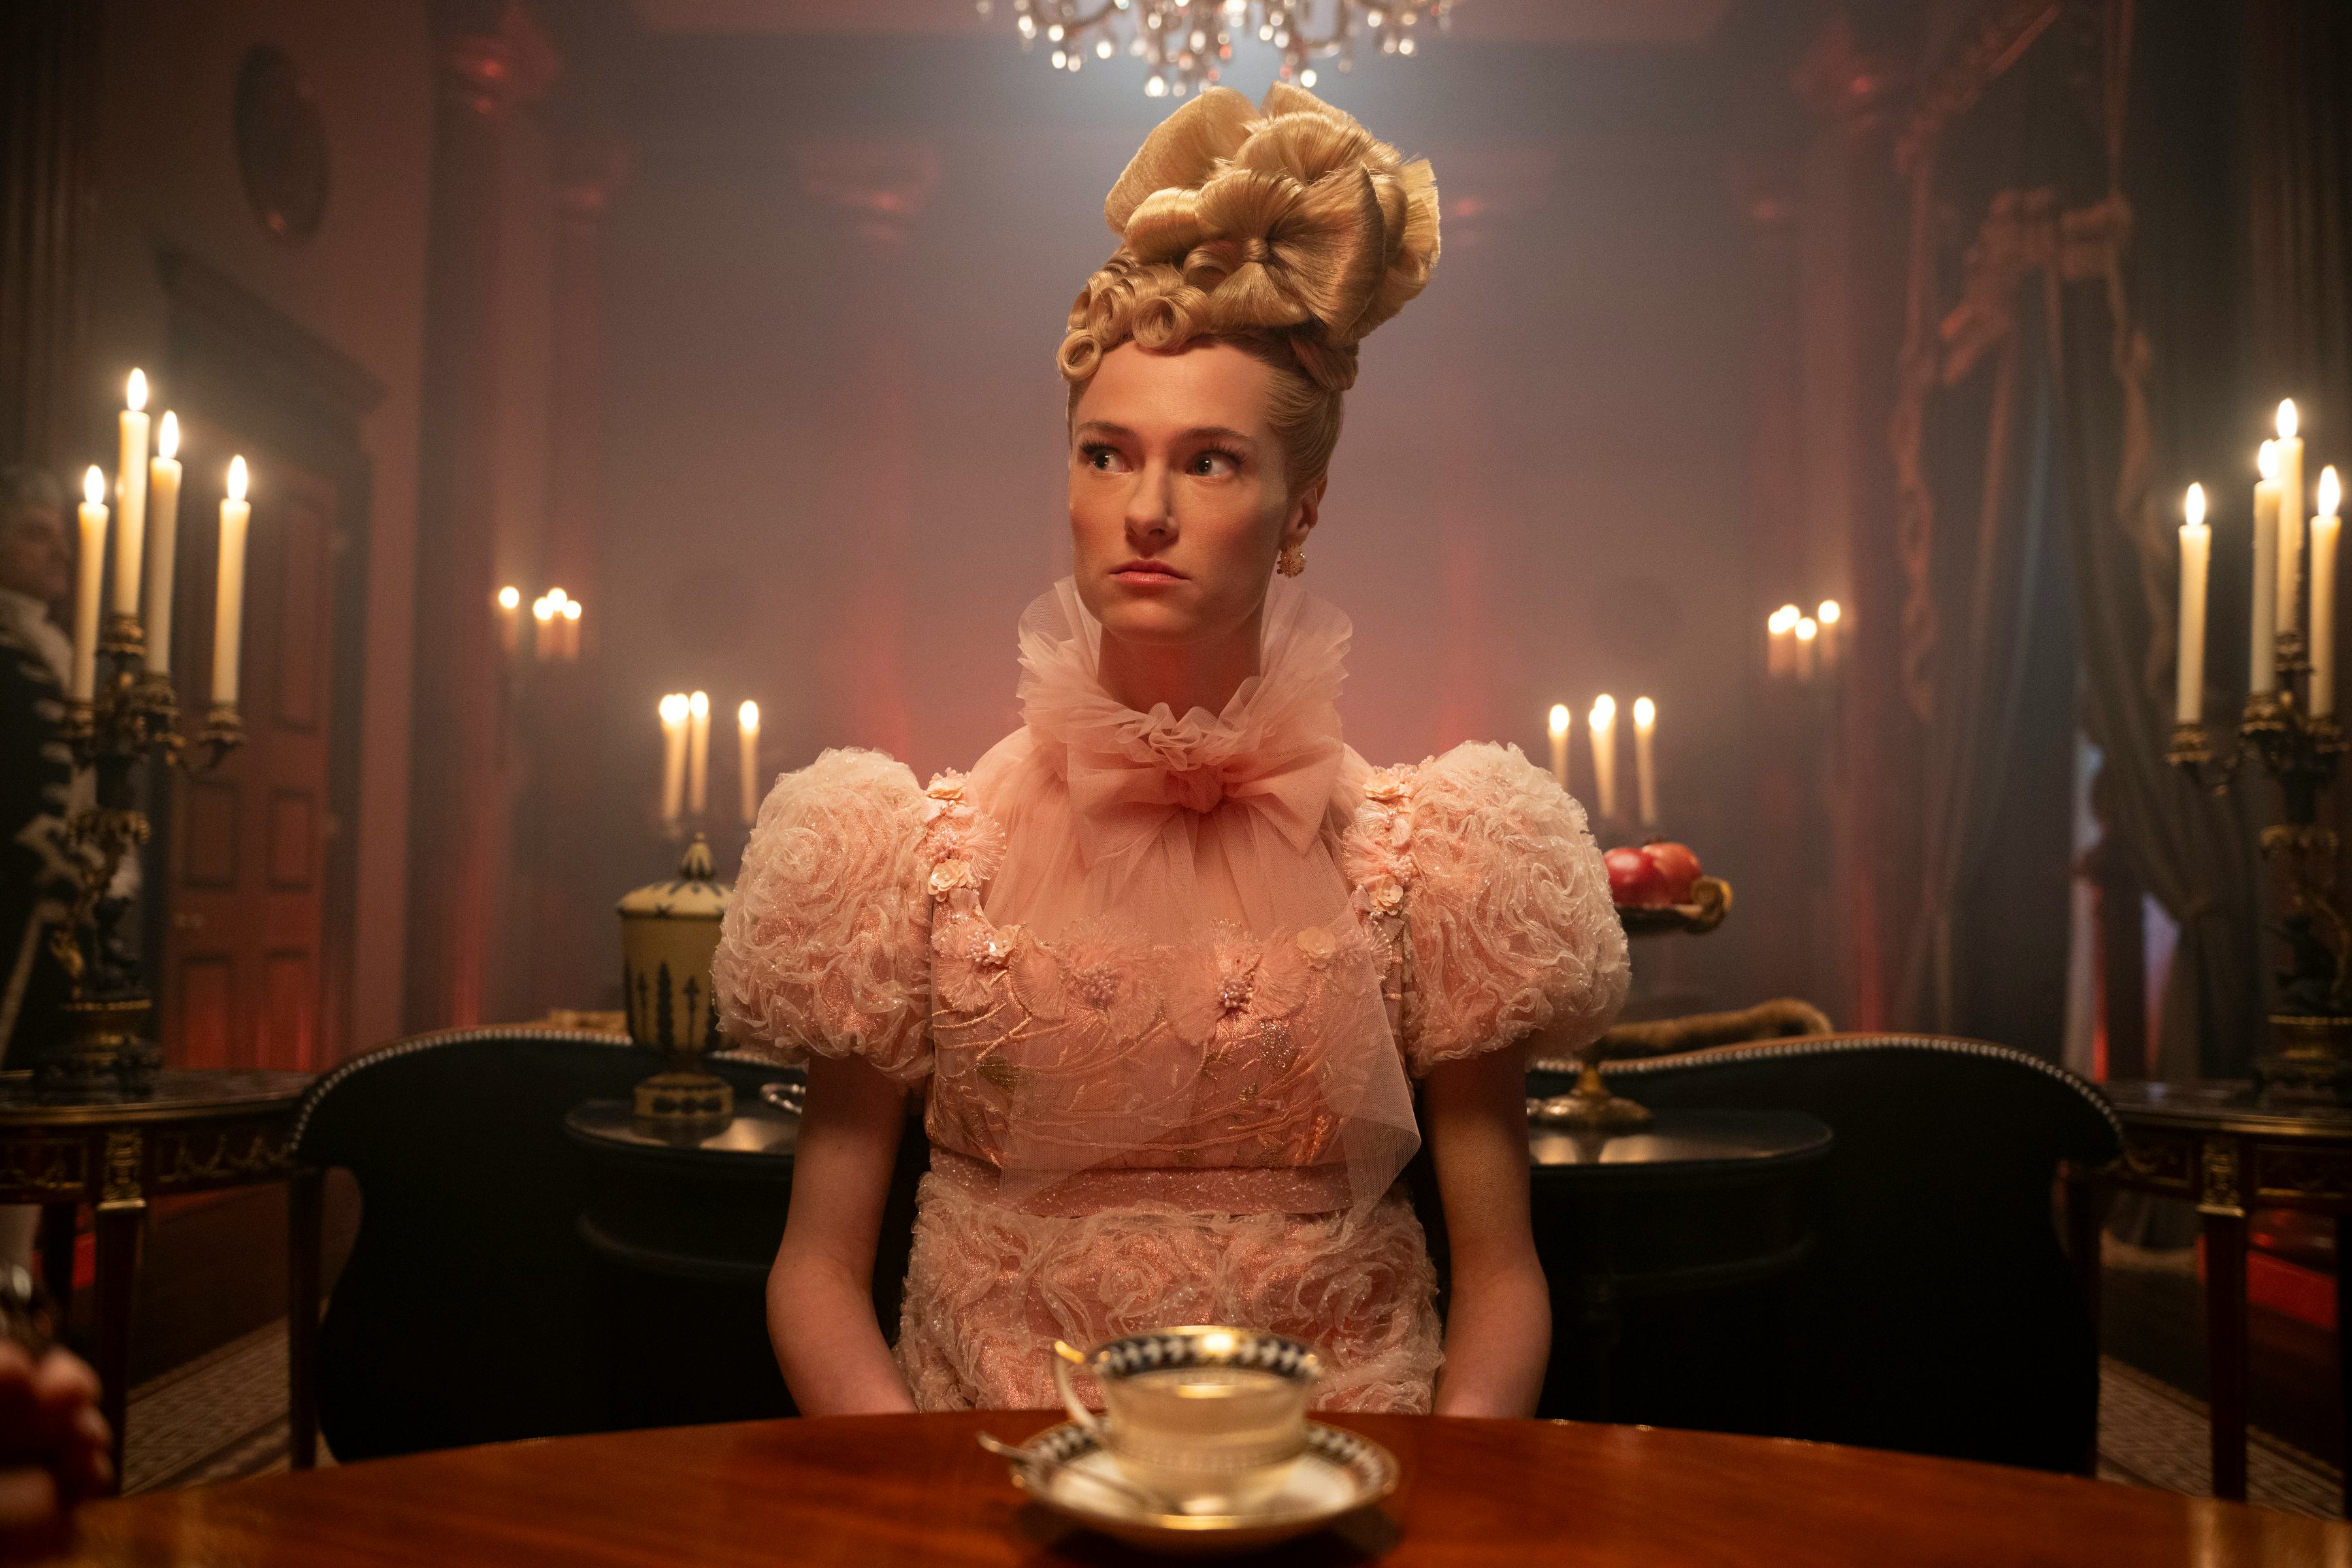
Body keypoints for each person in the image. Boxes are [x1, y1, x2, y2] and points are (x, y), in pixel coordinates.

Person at [714, 85, 1627, 1417]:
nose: (1144, 510)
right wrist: (905, 1524)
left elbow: (1501, 1285)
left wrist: (1458, 1523)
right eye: (1106, 454)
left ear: (1298, 506)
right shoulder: (900, 857)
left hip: (1347, 1479)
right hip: (985, 1480)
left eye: (1209, 463)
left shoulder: (1439, 858)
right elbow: (811, 1276)